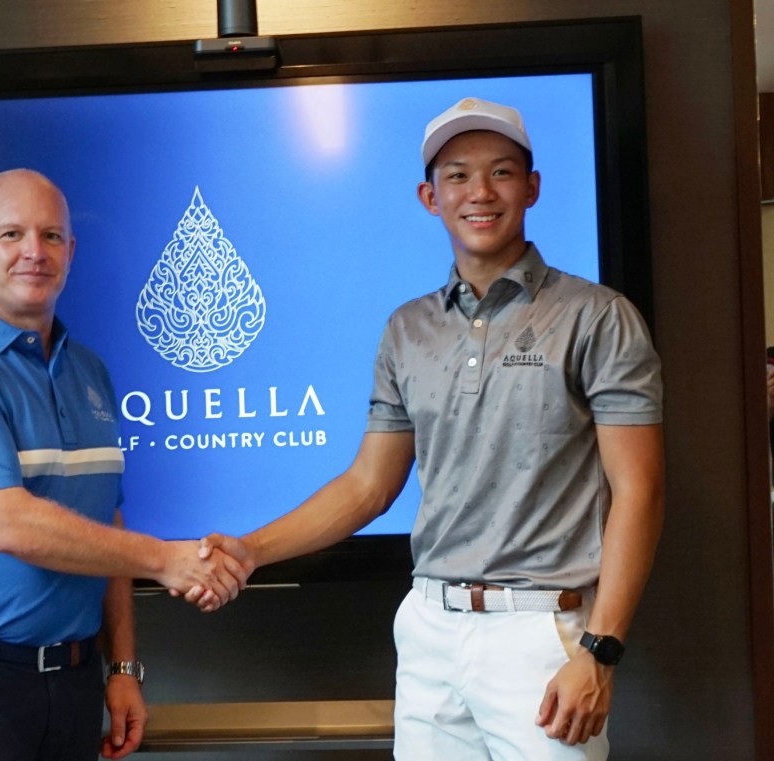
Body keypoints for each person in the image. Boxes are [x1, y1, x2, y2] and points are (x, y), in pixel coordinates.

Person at [194, 98, 665, 760]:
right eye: (457, 175)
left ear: (532, 188)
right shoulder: (407, 329)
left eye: (501, 172)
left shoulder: (598, 317)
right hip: (430, 630)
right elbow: (367, 486)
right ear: (430, 197)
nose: (480, 192)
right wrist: (250, 550)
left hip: (542, 634)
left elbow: (640, 489)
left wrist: (600, 648)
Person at [0, 168, 247, 761]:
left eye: (51, 236)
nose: (34, 251)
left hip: (73, 679)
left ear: (71, 252)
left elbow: (106, 525)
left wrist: (122, 667)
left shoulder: (89, 371)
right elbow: (10, 524)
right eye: (11, 235)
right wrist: (168, 560)